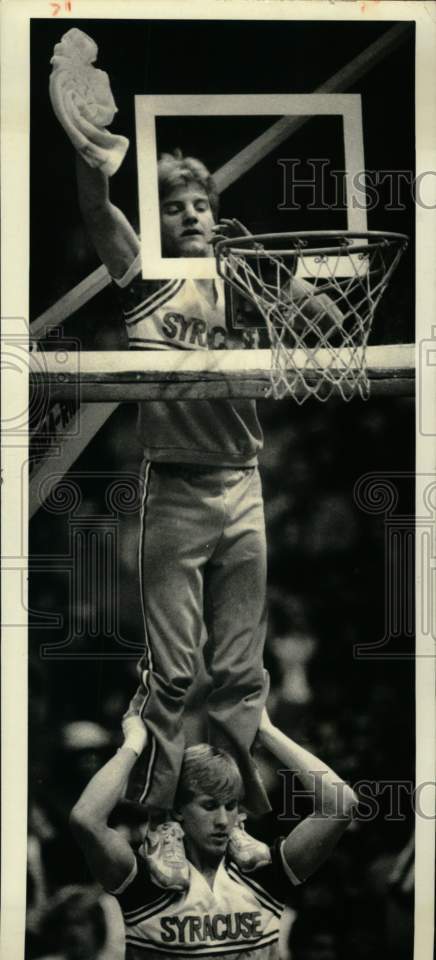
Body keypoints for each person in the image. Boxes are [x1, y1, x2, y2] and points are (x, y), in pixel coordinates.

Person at [50, 29, 343, 886]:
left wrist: (319, 299)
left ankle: (239, 818)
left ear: (217, 215)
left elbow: (322, 300)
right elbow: (97, 212)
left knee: (240, 674)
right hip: (174, 489)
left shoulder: (245, 274)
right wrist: (91, 151)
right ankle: (162, 825)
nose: (190, 215)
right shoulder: (143, 276)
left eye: (200, 205)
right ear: (160, 217)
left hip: (243, 484)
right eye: (175, 204)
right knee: (175, 675)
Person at [70, 703, 357, 960]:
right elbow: (86, 819)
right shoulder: (147, 881)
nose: (223, 820)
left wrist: (267, 731)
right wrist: (135, 740)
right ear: (178, 811)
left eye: (231, 806)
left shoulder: (262, 871)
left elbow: (343, 805)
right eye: (209, 806)